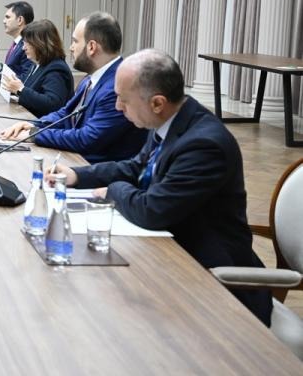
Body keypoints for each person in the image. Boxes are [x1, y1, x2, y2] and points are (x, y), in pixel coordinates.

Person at [45, 49, 273, 326]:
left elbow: (153, 210)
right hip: (173, 256)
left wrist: (113, 191)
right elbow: (136, 168)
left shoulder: (204, 145)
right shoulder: (171, 121)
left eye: (124, 99)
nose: (117, 107)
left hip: (215, 284)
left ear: (157, 103)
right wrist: (78, 176)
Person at [0, 12, 145, 163]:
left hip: (92, 168)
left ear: (91, 47)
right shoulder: (90, 78)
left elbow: (87, 139)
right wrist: (35, 125)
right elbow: (66, 113)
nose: (70, 47)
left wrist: (35, 134)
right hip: (75, 159)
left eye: (75, 41)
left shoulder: (117, 87)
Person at [0, 19, 73, 116]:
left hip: (42, 123)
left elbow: (52, 104)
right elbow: (23, 83)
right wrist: (6, 82)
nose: (23, 48)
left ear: (40, 44)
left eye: (27, 43)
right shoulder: (37, 64)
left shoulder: (56, 69)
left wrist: (21, 90)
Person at [1, 1, 35, 79]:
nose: (4, 21)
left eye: (7, 17)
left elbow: (26, 78)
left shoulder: (28, 45)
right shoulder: (17, 43)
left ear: (20, 20)